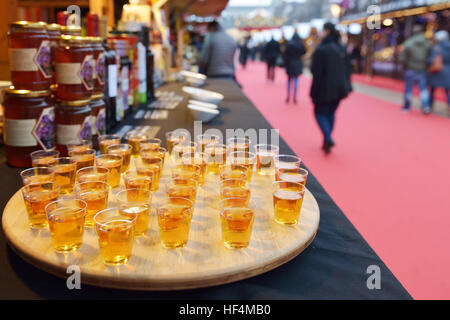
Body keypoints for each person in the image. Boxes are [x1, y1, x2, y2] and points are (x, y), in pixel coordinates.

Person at [310, 22, 352, 154]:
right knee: (330, 113)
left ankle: (327, 137)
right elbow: (348, 68)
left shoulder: (322, 49)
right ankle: (326, 139)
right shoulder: (341, 48)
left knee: (319, 113)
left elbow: (315, 71)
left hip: (324, 87)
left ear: (326, 31)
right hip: (340, 87)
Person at [399, 24, 432, 114]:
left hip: (410, 68)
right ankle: (425, 106)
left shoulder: (409, 43)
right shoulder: (427, 43)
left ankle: (407, 106)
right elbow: (431, 56)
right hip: (423, 68)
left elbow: (403, 58)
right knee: (423, 89)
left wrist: (405, 66)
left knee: (408, 89)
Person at [427, 30, 450, 110]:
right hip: (447, 71)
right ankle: (449, 105)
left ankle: (429, 105)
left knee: (432, 89)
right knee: (447, 90)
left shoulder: (436, 48)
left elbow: (430, 59)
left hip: (437, 71)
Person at [283, 33, 306, 104]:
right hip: (297, 63)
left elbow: (285, 54)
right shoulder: (300, 44)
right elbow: (304, 51)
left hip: (290, 63)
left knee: (289, 80)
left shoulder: (289, 44)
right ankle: (294, 96)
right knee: (296, 80)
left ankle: (288, 95)